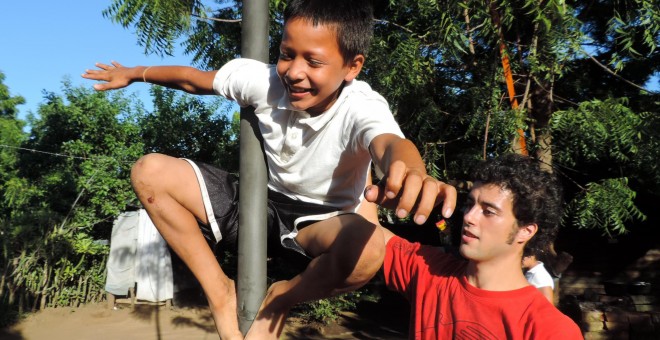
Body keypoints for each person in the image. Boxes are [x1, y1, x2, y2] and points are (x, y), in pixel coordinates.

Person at [82, 1, 456, 339]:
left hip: (320, 222)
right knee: (149, 172)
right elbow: (191, 79)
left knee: (371, 246)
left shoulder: (362, 106)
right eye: (286, 54)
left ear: (351, 66)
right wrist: (134, 72)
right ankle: (220, 292)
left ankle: (280, 300)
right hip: (258, 201)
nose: (293, 72)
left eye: (313, 61)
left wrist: (412, 172)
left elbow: (390, 144)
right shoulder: (262, 80)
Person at [381, 154, 583, 339]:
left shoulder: (551, 330)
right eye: (470, 204)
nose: (468, 217)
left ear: (526, 231)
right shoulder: (430, 270)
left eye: (488, 211)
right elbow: (366, 232)